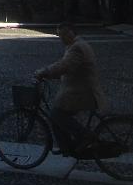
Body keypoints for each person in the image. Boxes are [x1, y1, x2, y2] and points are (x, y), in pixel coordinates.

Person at [34, 22, 106, 156]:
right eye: (60, 35)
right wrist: (51, 74)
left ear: (72, 32)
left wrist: (44, 72)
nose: (62, 37)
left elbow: (64, 66)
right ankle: (67, 146)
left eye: (64, 34)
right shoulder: (75, 45)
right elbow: (69, 68)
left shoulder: (77, 47)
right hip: (78, 89)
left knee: (56, 114)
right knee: (56, 116)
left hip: (83, 92)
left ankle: (85, 136)